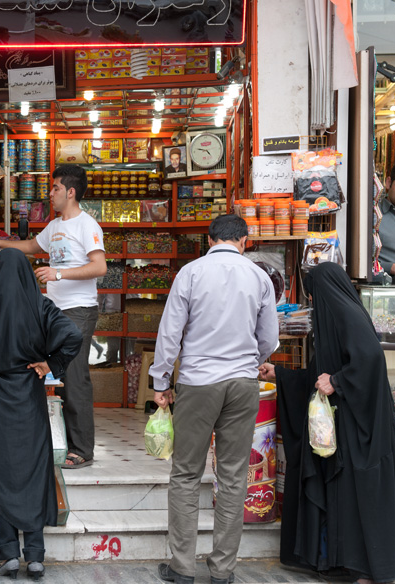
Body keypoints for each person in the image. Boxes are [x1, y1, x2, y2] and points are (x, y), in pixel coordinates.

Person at [258, 262, 395, 584]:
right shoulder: (339, 320)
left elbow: (369, 359)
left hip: (361, 431)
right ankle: (343, 563)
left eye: (314, 298)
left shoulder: (348, 317)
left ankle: (369, 571)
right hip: (346, 427)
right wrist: (283, 375)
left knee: (362, 495)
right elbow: (319, 376)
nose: (314, 305)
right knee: (346, 495)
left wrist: (339, 382)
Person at [150, 214, 279, 584]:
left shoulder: (191, 273)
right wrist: (250, 361)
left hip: (198, 382)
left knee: (187, 473)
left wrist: (160, 380)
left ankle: (182, 567)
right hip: (242, 383)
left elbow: (170, 332)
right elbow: (269, 337)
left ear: (210, 240)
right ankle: (222, 570)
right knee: (235, 476)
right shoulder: (259, 277)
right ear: (244, 241)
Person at [0, 249, 82, 580]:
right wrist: (49, 363)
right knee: (32, 472)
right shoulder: (40, 305)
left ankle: (8, 552)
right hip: (27, 396)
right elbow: (73, 336)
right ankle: (35, 556)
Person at [0, 165, 107, 469]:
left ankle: (81, 449)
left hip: (78, 310)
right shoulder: (54, 225)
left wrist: (58, 272)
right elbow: (31, 247)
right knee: (43, 371)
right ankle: (46, 440)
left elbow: (99, 267)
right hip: (52, 310)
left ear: (70, 192)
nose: (51, 194)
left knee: (73, 376)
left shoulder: (87, 226)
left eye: (56, 188)